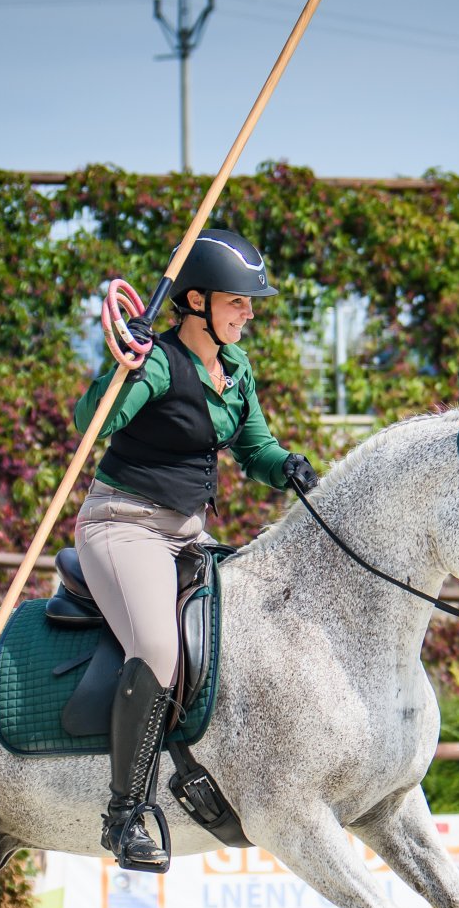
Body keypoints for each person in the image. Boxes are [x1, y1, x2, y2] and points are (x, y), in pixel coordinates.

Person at [71, 229, 319, 872]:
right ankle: (124, 815)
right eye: (240, 301)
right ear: (200, 301)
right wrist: (124, 365)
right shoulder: (155, 362)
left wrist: (287, 465)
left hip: (188, 533)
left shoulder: (235, 370)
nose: (250, 313)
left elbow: (254, 449)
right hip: (122, 525)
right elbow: (89, 421)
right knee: (156, 648)